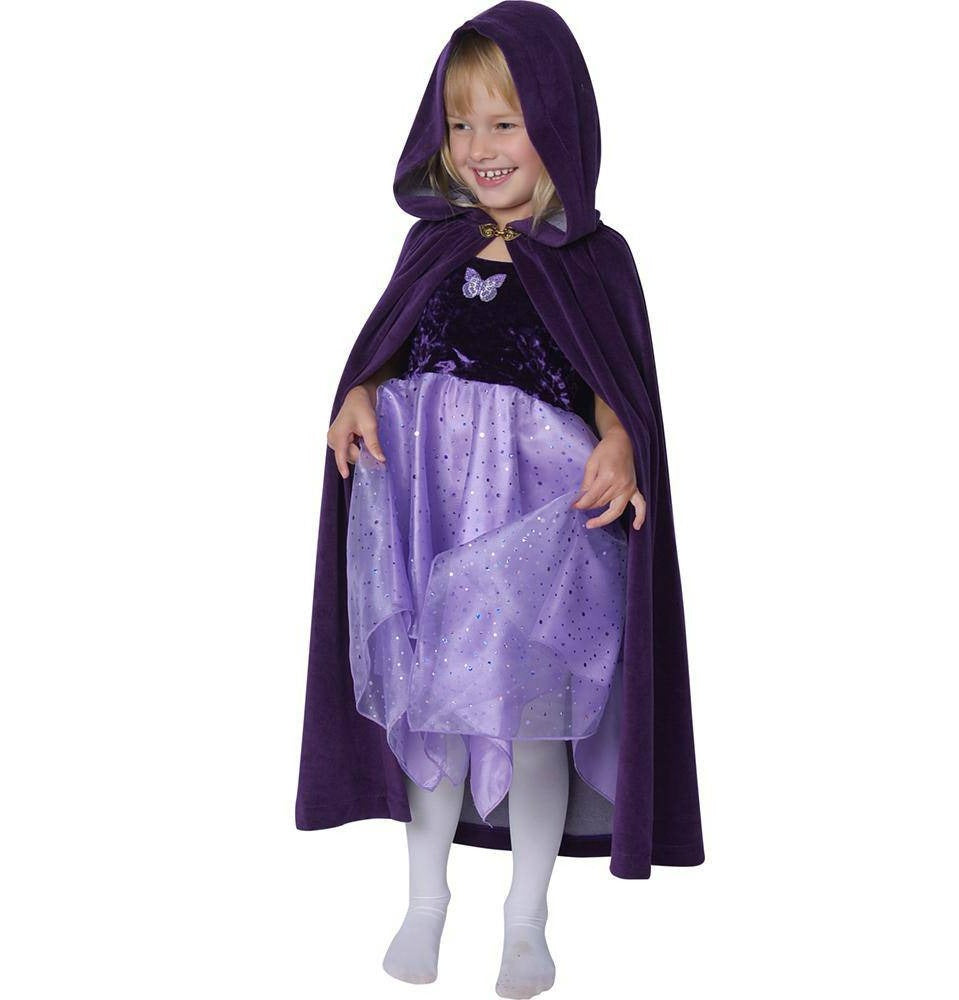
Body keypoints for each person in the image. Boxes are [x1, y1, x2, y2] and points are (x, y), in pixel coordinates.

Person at [295, 4, 705, 997]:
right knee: (432, 709)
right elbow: (386, 353)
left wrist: (620, 443)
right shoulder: (430, 248)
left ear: (555, 123)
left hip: (538, 531)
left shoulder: (593, 260)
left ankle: (527, 920)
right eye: (460, 124)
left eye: (505, 123)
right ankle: (425, 901)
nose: (479, 147)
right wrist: (357, 394)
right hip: (432, 523)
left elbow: (616, 388)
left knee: (533, 719)